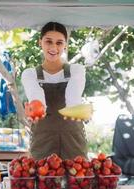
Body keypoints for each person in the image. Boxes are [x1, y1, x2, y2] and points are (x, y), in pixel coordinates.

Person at [21, 22, 87, 160]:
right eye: (48, 41)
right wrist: (37, 108)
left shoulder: (76, 70)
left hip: (73, 141)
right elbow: (36, 95)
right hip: (42, 142)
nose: (53, 47)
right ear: (40, 42)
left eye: (59, 43)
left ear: (65, 45)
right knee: (42, 179)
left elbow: (73, 95)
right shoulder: (30, 74)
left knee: (77, 179)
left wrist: (75, 109)